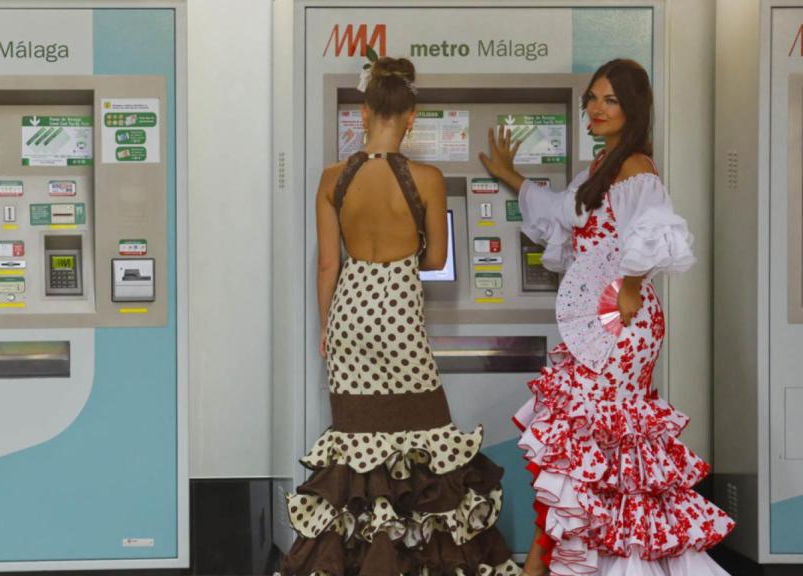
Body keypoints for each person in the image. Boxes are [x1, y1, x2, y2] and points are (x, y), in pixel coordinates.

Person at [480, 58, 734, 576]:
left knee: (600, 446)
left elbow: (660, 230)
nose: (595, 108)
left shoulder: (636, 167)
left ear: (633, 108)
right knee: (586, 449)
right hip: (597, 324)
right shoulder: (600, 169)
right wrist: (510, 176)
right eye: (592, 98)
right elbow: (558, 212)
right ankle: (560, 562)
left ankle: (569, 564)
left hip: (621, 324)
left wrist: (633, 285)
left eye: (609, 100)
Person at [280, 56, 522, 576]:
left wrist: (326, 327)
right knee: (424, 440)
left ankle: (352, 559)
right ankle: (420, 557)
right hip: (398, 314)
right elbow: (435, 259)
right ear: (411, 117)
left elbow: (328, 263)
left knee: (356, 443)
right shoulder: (428, 178)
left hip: (348, 310)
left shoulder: (331, 178)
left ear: (365, 113)